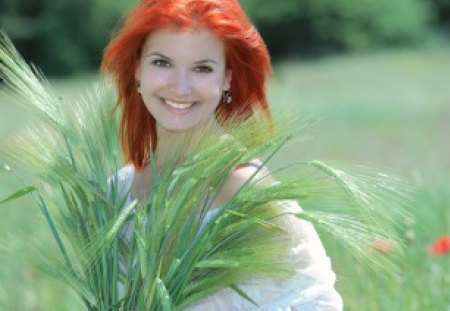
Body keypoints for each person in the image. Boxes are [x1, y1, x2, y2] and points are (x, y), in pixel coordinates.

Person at [101, 0, 343, 309]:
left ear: (226, 78)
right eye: (162, 63)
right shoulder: (117, 194)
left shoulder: (248, 192)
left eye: (202, 68)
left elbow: (317, 301)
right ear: (137, 69)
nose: (181, 87)